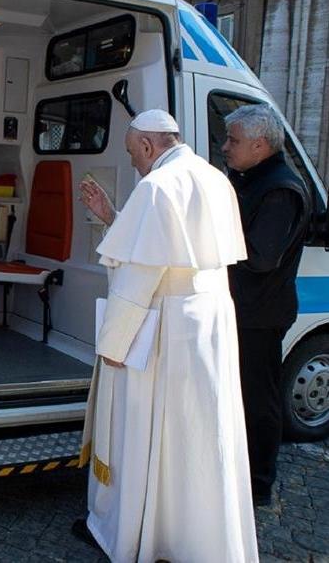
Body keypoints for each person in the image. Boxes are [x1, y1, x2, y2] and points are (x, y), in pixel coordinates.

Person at [76, 109, 258, 562]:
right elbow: (169, 247)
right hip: (208, 321)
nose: (133, 162)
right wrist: (113, 216)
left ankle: (139, 535)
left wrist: (114, 344)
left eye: (132, 153)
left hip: (165, 326)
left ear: (146, 145)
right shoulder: (214, 178)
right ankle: (194, 538)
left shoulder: (157, 186)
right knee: (194, 434)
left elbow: (140, 274)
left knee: (148, 432)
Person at [222, 104, 310, 507]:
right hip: (241, 309)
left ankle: (258, 484)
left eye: (233, 140)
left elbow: (261, 256)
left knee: (258, 400)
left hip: (259, 315)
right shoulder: (250, 178)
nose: (226, 147)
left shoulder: (280, 189)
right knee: (237, 396)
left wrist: (211, 239)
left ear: (259, 145)